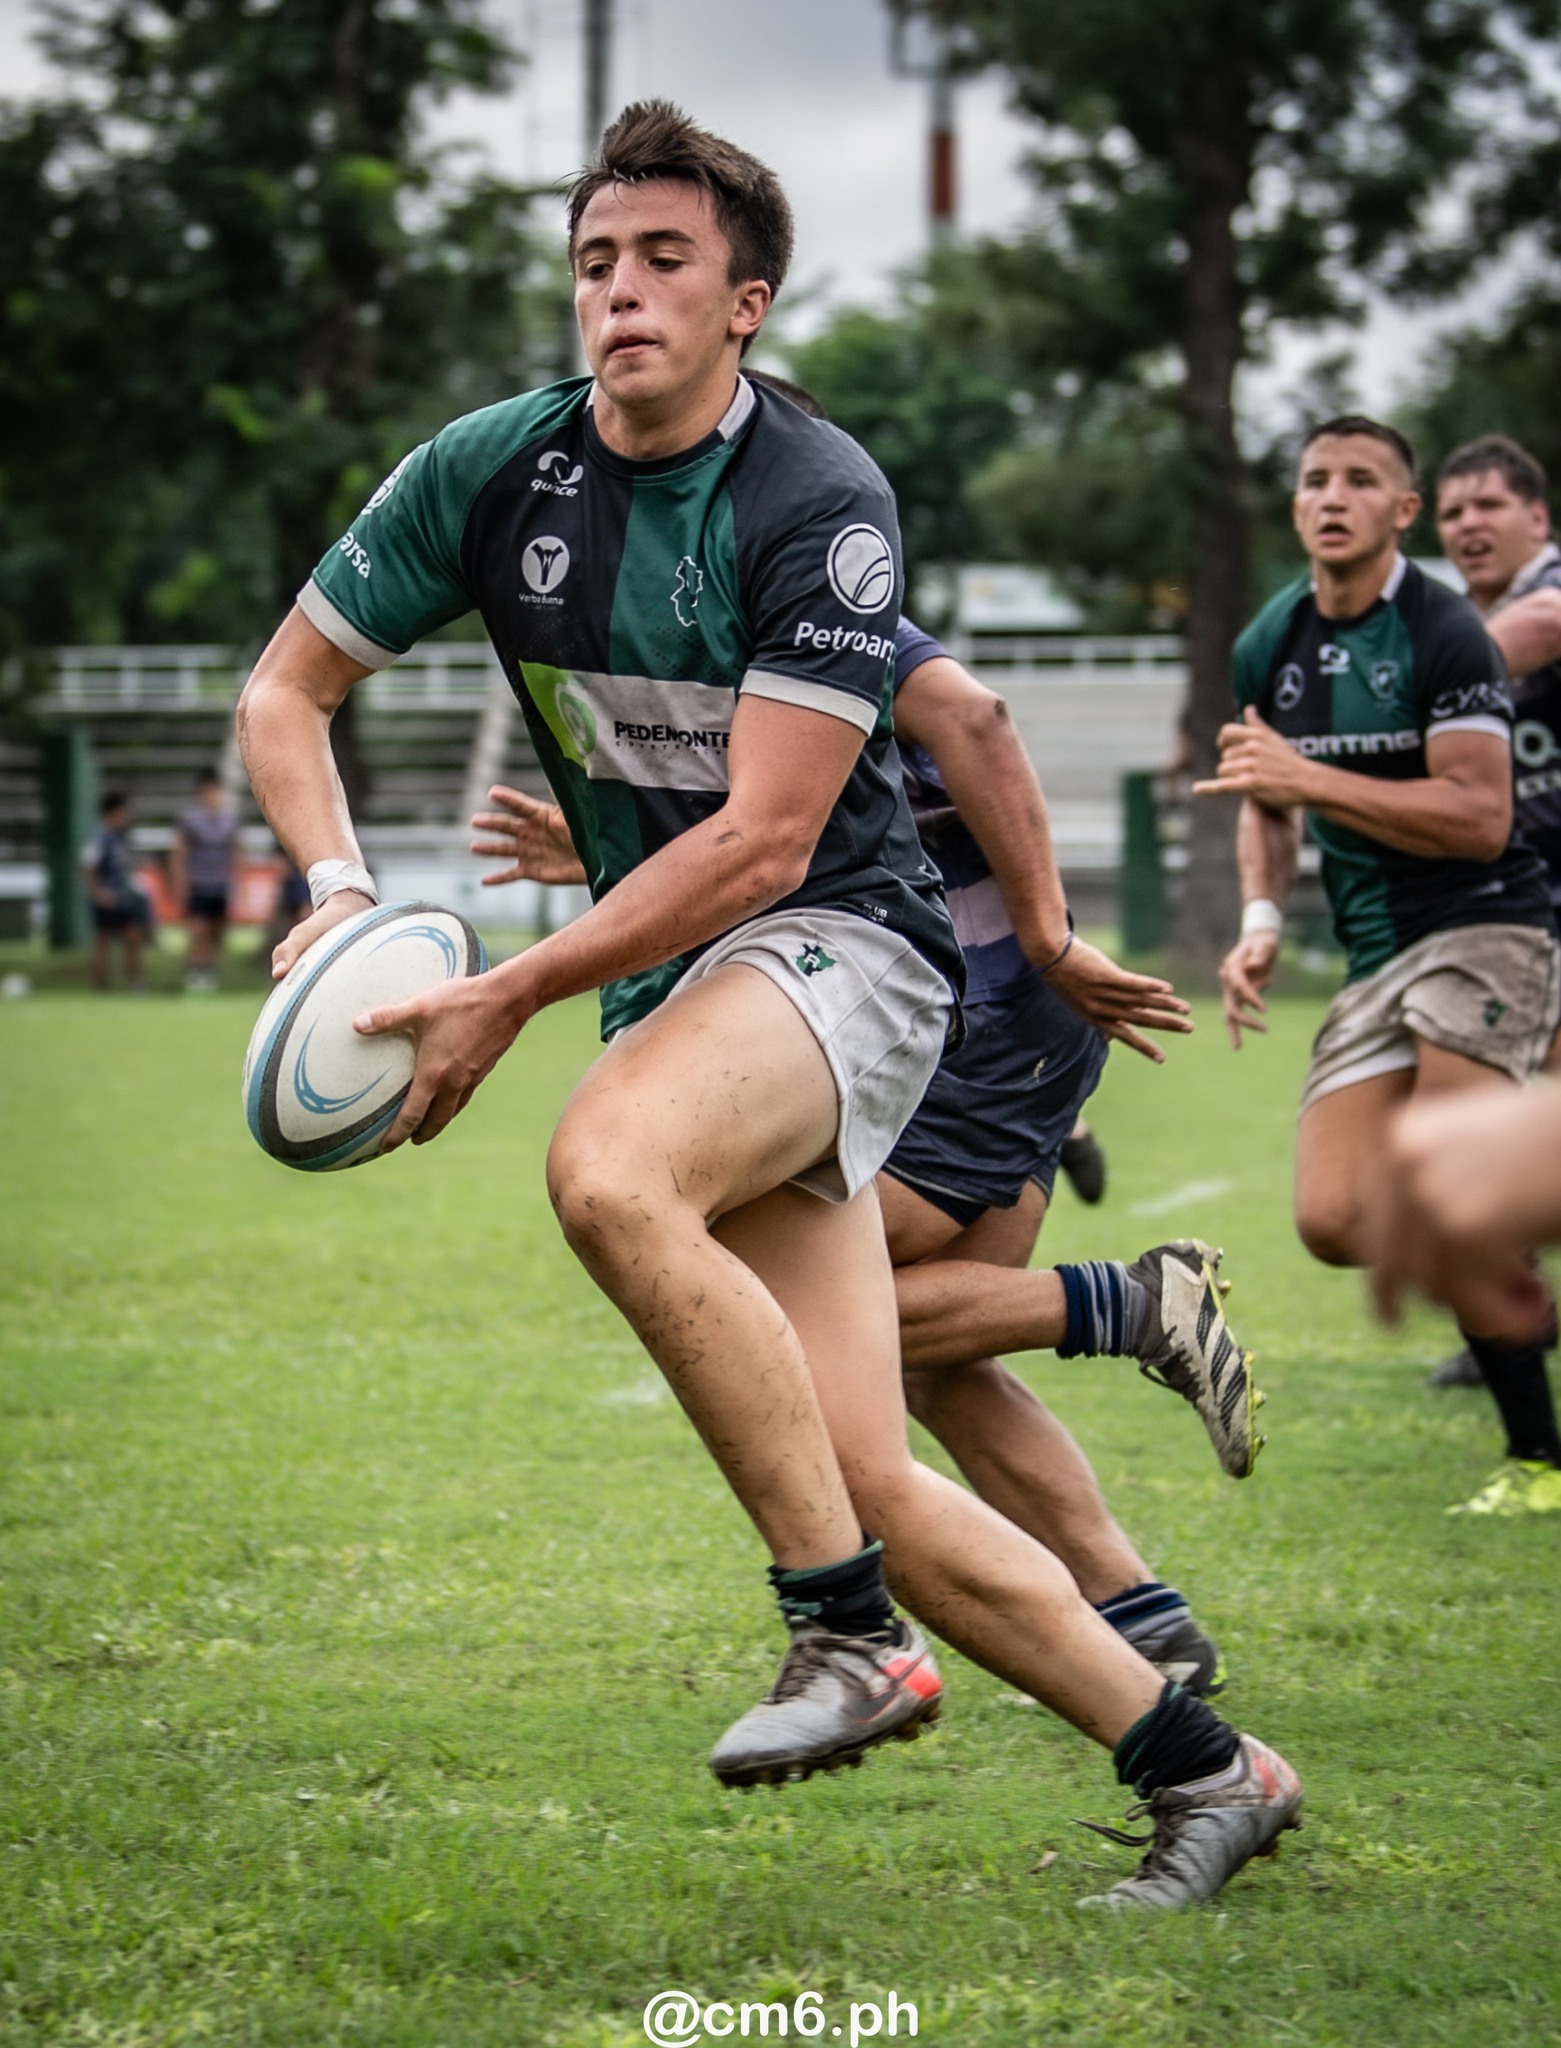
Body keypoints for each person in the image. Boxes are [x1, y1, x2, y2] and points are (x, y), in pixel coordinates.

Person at [237, 100, 1299, 1908]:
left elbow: (767, 838)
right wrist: (340, 892)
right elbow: (285, 692)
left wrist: (504, 988)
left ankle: (844, 1640)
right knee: (867, 1460)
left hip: (853, 951)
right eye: (594, 263)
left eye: (664, 262)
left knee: (606, 1167)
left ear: (749, 302)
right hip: (696, 975)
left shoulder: (819, 499)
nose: (620, 295)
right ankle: (1206, 1765)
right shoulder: (493, 471)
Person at [476, 605, 1267, 1701]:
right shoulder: (714, 638)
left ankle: (1132, 1304)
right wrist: (599, 850)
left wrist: (1045, 938)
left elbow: (975, 718)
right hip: (970, 1009)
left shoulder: (815, 599)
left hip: (979, 1006)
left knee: (810, 1301)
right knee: (936, 1365)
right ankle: (1142, 1614)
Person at [1200, 413, 1561, 1516]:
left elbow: (1476, 817)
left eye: (1361, 481)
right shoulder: (1271, 639)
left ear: (1402, 512)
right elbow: (1261, 793)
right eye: (1315, 479)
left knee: (1453, 1201)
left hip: (1484, 926)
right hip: (1371, 951)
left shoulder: (1447, 631)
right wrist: (1261, 911)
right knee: (1335, 1218)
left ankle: (1539, 1460)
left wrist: (1309, 781)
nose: (1332, 496)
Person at [1427, 437, 1561, 1386]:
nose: (1468, 524)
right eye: (1452, 512)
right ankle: (1515, 1317)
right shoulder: (1455, 620)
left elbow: (1537, 627)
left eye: (1488, 506)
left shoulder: (1542, 600)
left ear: (1537, 520)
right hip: (1518, 906)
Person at [171, 770, 241, 992]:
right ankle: (194, 972)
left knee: (215, 931)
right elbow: (179, 853)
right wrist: (179, 883)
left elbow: (237, 851)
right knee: (198, 930)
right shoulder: (191, 820)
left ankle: (209, 972)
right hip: (198, 884)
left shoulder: (230, 820)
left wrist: (237, 883)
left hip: (220, 884)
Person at [83, 792, 151, 992]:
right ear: (112, 812)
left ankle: (134, 982)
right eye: (123, 812)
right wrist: (98, 893)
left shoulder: (122, 836)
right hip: (107, 898)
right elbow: (88, 866)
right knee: (103, 940)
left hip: (122, 897)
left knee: (133, 937)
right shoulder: (100, 836)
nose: (127, 816)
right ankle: (102, 985)